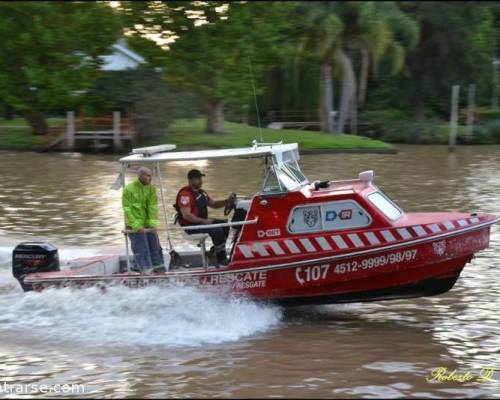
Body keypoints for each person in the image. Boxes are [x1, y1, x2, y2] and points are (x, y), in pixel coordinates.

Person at [175, 169, 236, 266]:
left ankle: (213, 252)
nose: (201, 180)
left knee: (225, 224)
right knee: (217, 230)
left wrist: (227, 201)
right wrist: (205, 221)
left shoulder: (202, 193)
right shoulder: (185, 195)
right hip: (190, 226)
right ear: (190, 180)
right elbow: (187, 215)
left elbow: (214, 204)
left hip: (200, 222)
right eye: (197, 178)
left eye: (201, 178)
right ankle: (221, 258)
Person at [122, 166, 164, 272]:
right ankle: (146, 273)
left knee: (156, 249)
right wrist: (136, 226)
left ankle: (160, 272)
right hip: (134, 226)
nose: (150, 178)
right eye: (148, 176)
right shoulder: (128, 189)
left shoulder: (151, 189)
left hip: (148, 226)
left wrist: (152, 223)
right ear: (140, 176)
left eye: (151, 176)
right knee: (142, 250)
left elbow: (153, 207)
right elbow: (127, 209)